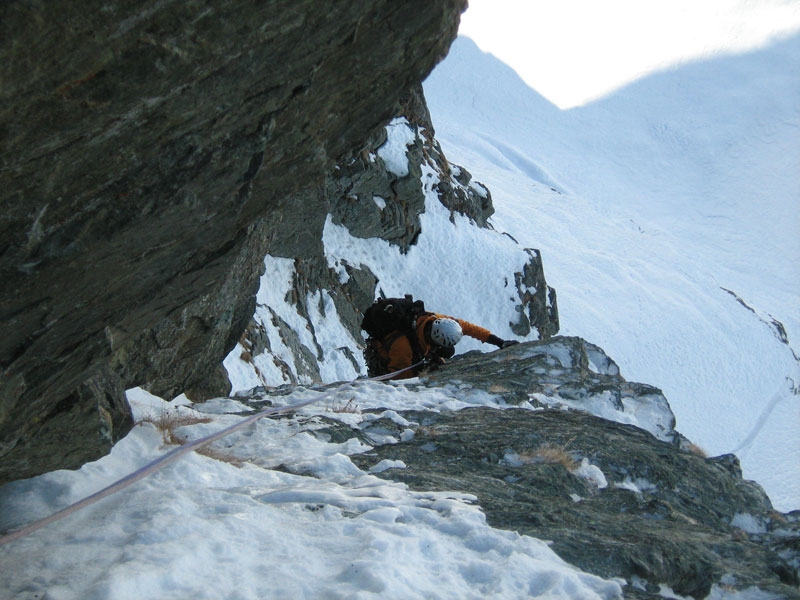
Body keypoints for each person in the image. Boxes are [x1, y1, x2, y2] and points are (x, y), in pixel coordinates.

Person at [368, 308, 518, 379]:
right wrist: (424, 369)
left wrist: (499, 342)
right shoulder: (404, 346)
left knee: (448, 353)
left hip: (414, 348)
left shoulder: (437, 320)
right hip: (384, 358)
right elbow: (397, 374)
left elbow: (470, 329)